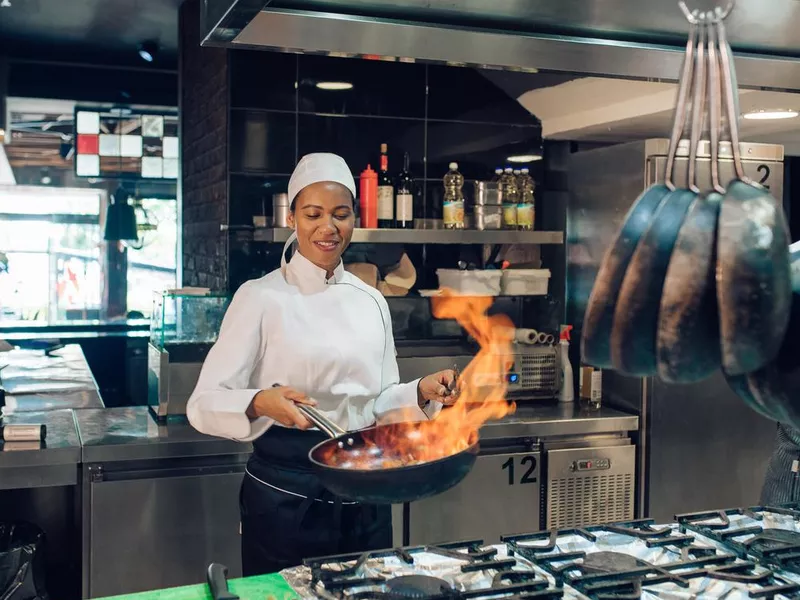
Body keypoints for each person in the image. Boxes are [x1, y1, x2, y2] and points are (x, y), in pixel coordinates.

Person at [186, 153, 458, 576]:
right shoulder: (260, 297)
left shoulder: (371, 300)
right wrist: (260, 401)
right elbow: (203, 403)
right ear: (292, 218)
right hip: (287, 497)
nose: (327, 227)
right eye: (313, 214)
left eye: (341, 214)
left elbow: (380, 401)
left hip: (365, 489)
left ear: (354, 219)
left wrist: (419, 391)